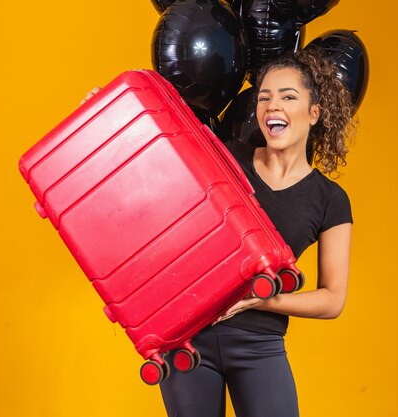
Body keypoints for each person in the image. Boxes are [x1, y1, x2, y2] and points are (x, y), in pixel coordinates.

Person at [159, 49, 355, 417]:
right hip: (188, 338)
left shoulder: (330, 199)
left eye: (287, 97)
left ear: (314, 113)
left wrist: (257, 300)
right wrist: (112, 119)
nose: (272, 106)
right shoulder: (227, 159)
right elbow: (156, 171)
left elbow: (332, 300)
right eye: (264, 97)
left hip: (259, 345)